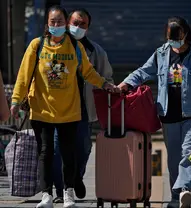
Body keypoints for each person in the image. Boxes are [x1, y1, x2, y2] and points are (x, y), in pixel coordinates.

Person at [10, 5, 116, 208]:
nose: (56, 25)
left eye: (60, 21)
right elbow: (24, 75)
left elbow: (88, 72)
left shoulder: (75, 47)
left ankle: (68, 193)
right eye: (53, 22)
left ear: (65, 24)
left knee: (70, 153)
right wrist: (16, 101)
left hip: (69, 110)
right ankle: (47, 195)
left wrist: (104, 84)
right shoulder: (37, 45)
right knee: (46, 153)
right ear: (47, 24)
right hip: (42, 109)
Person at [117, 16, 191, 208]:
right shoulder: (161, 53)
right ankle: (177, 198)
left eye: (176, 36)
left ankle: (183, 189)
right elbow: (143, 72)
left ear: (185, 33)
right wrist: (126, 83)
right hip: (168, 114)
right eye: (170, 36)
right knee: (174, 158)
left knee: (188, 154)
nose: (173, 40)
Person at [52, 8, 114, 203]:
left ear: (88, 28)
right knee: (56, 150)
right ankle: (62, 191)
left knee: (83, 148)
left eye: (83, 24)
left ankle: (76, 177)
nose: (78, 27)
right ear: (67, 22)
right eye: (75, 23)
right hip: (57, 109)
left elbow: (107, 77)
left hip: (83, 110)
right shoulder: (53, 47)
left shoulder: (95, 51)